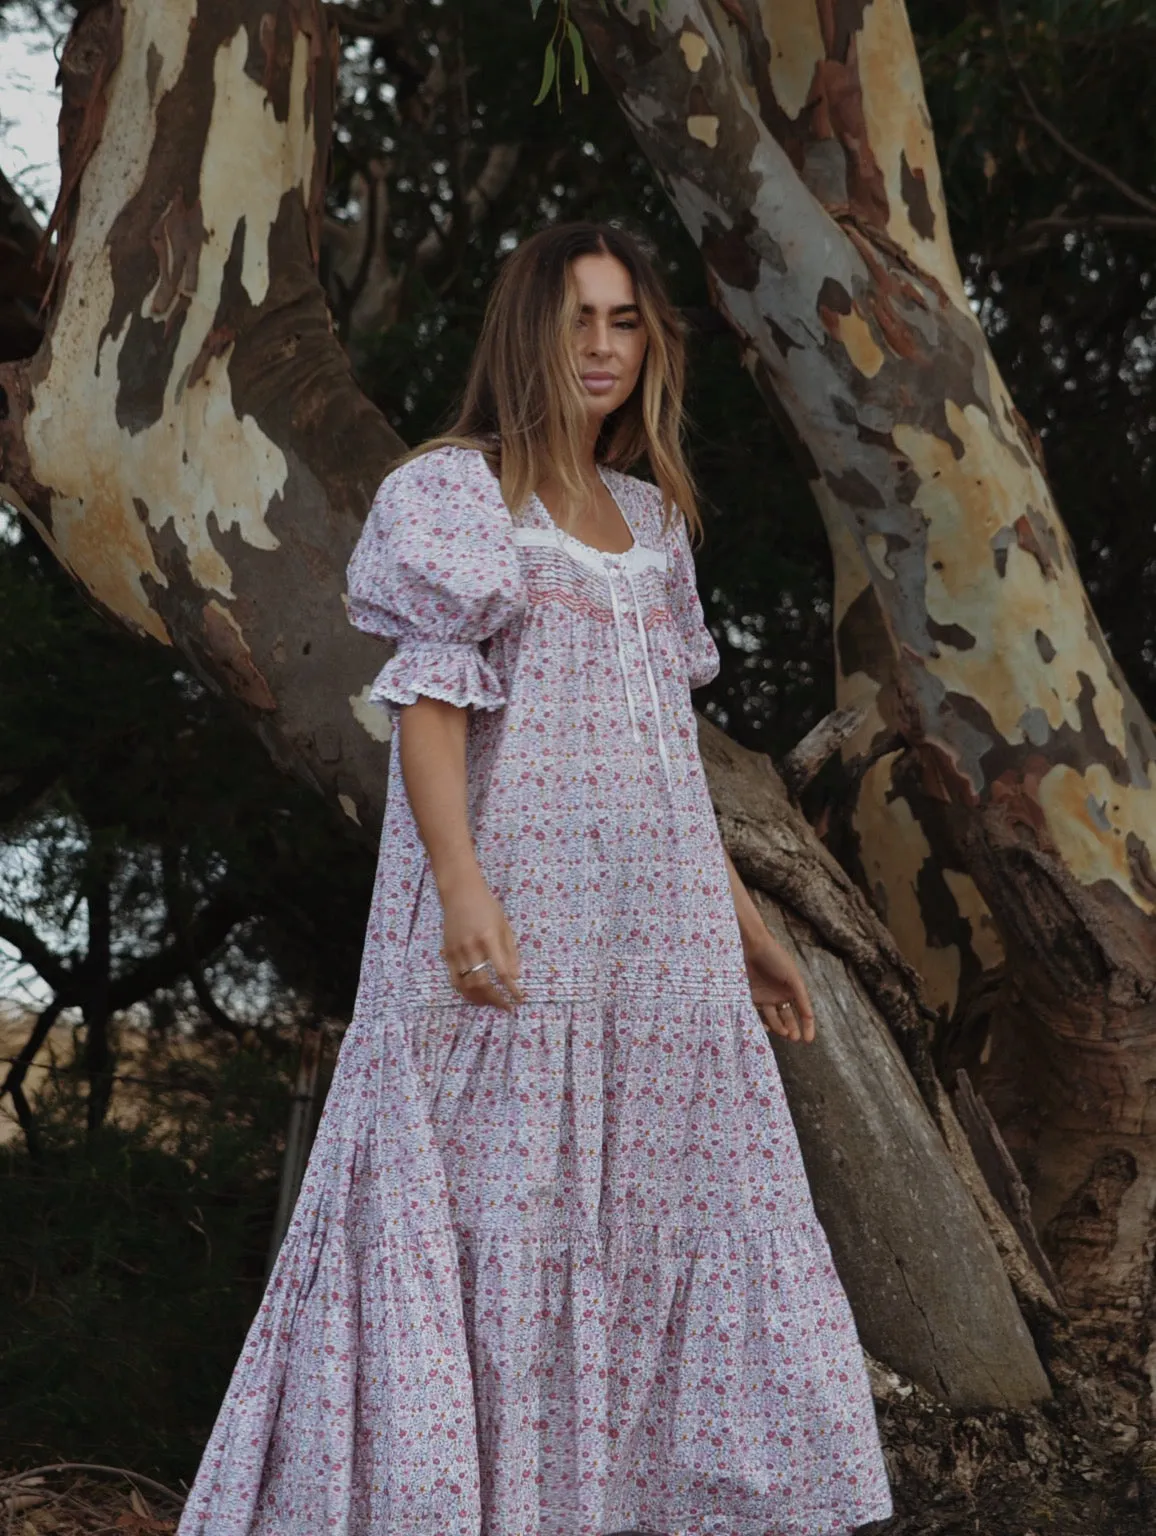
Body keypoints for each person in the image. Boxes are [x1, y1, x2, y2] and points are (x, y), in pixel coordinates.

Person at [177, 222, 892, 1536]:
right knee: (490, 1210)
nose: (605, 348)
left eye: (626, 322)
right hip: (511, 924)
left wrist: (740, 926)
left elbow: (665, 759)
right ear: (527, 333)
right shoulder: (451, 494)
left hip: (656, 947)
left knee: (662, 1212)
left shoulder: (652, 524)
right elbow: (433, 711)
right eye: (580, 320)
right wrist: (460, 890)